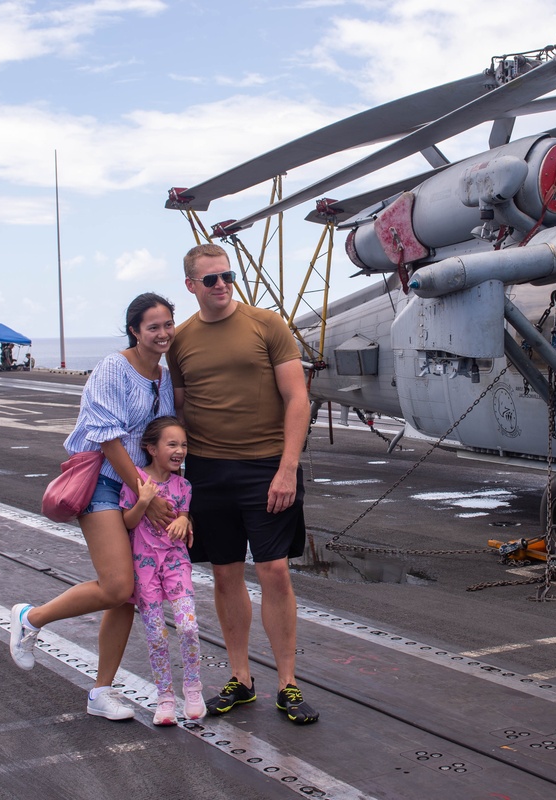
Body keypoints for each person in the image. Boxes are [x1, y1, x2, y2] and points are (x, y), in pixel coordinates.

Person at [166, 243, 317, 725]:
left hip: (267, 466)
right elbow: (179, 409)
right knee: (226, 573)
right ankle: (241, 679)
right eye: (210, 279)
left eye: (227, 275)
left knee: (275, 571)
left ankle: (288, 684)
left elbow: (297, 398)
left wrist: (288, 467)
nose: (221, 284)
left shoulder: (267, 324)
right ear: (191, 285)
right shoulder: (180, 340)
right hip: (208, 472)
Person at [9, 292, 178, 720]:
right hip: (105, 482)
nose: (162, 333)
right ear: (134, 331)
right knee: (118, 586)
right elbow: (109, 439)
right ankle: (31, 617)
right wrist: (147, 493)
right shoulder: (112, 368)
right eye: (152, 326)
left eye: (167, 325)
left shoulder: (164, 376)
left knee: (127, 597)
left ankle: (101, 692)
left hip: (139, 490)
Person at [120, 416, 205, 726]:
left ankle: (193, 688)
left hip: (175, 562)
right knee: (156, 634)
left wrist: (185, 519)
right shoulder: (138, 480)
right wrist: (143, 501)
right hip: (144, 567)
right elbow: (127, 522)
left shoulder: (183, 485)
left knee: (188, 627)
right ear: (151, 449)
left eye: (183, 445)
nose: (180, 450)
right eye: (172, 444)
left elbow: (182, 514)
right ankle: (165, 697)